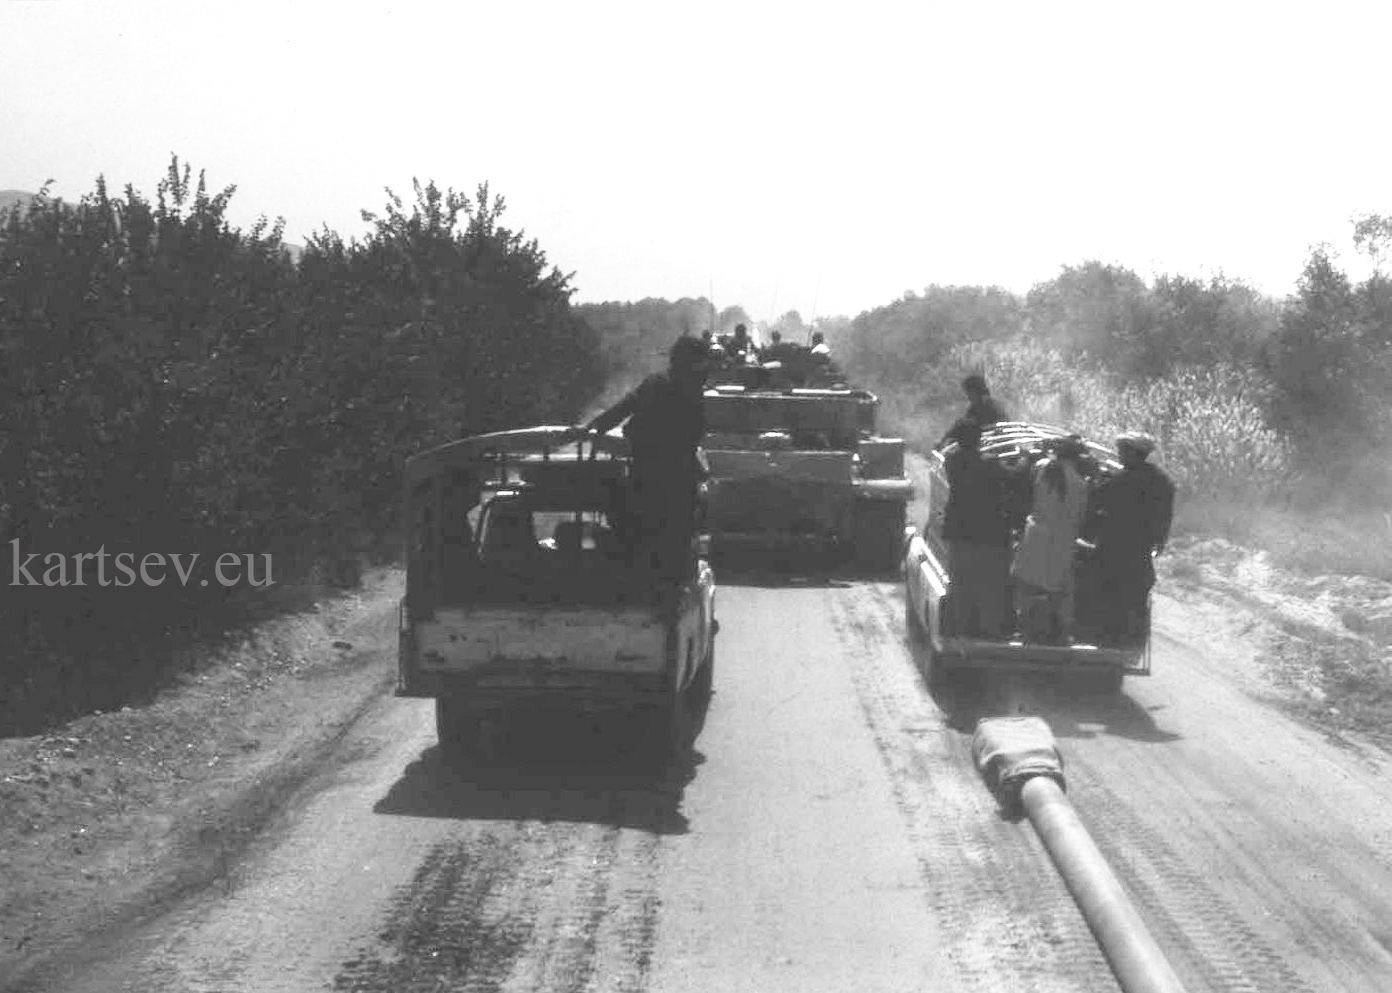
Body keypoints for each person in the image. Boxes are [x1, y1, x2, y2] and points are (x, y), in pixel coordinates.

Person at [570, 335, 711, 583]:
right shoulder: (691, 393)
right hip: (673, 480)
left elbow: (623, 408)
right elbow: (693, 434)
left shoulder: (656, 383)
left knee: (635, 528)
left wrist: (593, 427)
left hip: (645, 475)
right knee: (677, 539)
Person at [1082, 432, 1175, 645]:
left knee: (1104, 586)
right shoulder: (1162, 481)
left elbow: (1096, 500)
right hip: (1141, 549)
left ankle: (1104, 636)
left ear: (1133, 453)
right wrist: (1160, 540)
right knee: (1136, 592)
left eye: (1123, 451)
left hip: (1115, 546)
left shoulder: (1123, 480)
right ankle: (1132, 641)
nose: (1119, 455)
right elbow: (1165, 516)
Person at [940, 419, 1016, 638]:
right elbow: (1011, 476)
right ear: (979, 439)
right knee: (989, 585)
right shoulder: (990, 462)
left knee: (961, 583)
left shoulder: (952, 461)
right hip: (988, 534)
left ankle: (961, 630)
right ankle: (988, 631)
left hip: (959, 533)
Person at [1011, 435, 1090, 643]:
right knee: (1060, 590)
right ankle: (1061, 632)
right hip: (1063, 543)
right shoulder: (1080, 483)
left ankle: (1024, 626)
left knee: (1028, 586)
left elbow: (1026, 489)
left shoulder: (1042, 468)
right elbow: (1081, 519)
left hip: (1035, 536)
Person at [936, 374, 1009, 450]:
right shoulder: (986, 405)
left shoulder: (985, 405)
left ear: (976, 391)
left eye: (969, 392)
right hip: (990, 443)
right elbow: (962, 423)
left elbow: (965, 425)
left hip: (989, 446)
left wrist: (945, 440)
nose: (968, 396)